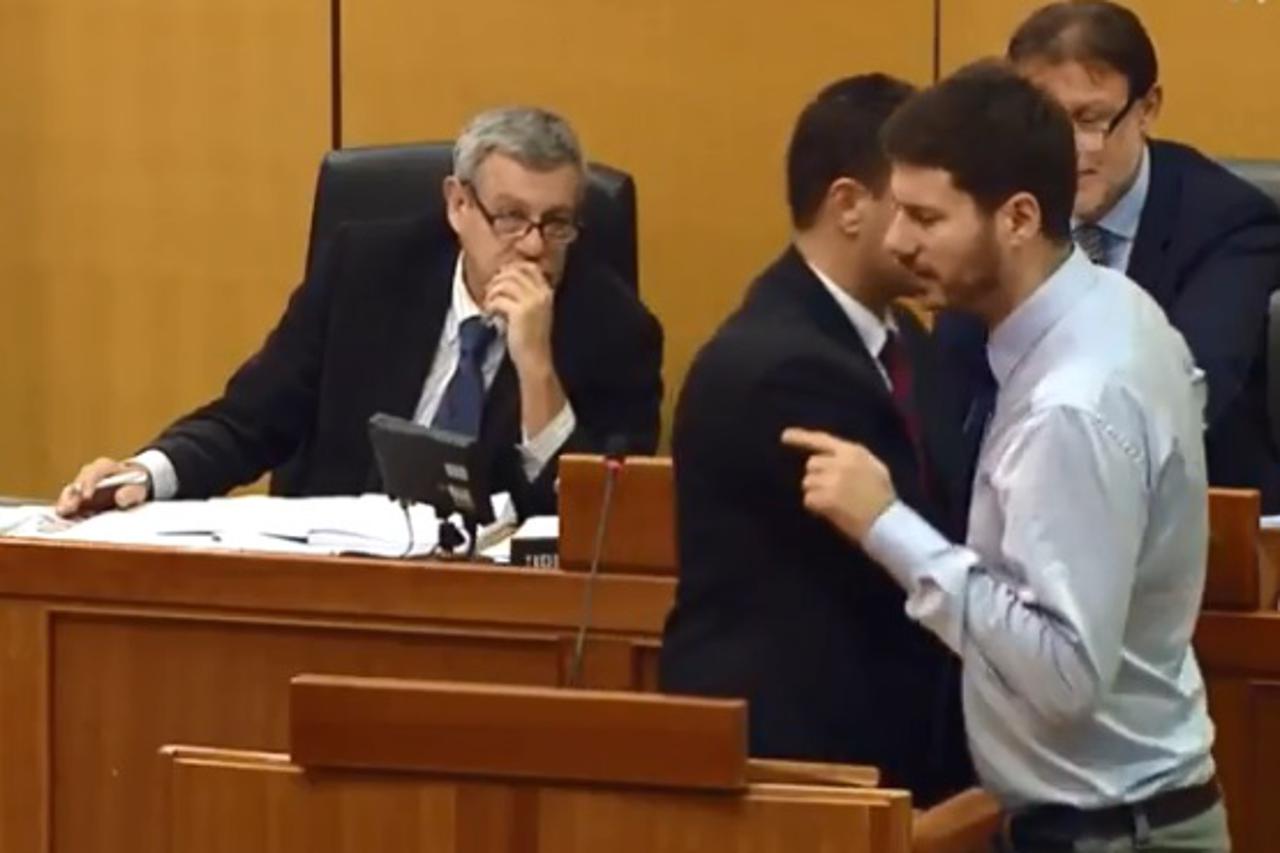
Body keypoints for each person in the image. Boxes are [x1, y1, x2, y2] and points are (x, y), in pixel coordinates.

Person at [784, 61, 1228, 851]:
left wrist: (886, 524)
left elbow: (1062, 676)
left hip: (1109, 831)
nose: (897, 241)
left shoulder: (1073, 405)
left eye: (926, 216)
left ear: (1019, 218)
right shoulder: (1115, 309)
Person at [55, 107, 663, 518]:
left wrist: (537, 371)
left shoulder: (615, 330)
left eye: (556, 223)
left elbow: (603, 525)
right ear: (458, 205)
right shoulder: (367, 272)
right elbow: (252, 419)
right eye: (510, 217)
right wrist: (147, 474)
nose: (532, 246)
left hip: (494, 616)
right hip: (335, 586)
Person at [659, 74, 972, 807]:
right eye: (914, 209)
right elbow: (916, 542)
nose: (928, 236)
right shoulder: (781, 365)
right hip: (800, 760)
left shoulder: (907, 338)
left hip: (885, 746)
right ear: (849, 205)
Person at [942, 0, 1280, 511]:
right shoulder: (1003, 209)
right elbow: (954, 390)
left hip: (1191, 518)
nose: (1070, 148)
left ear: (1147, 109)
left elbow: (1189, 391)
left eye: (1090, 119)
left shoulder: (1228, 221)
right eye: (1047, 121)